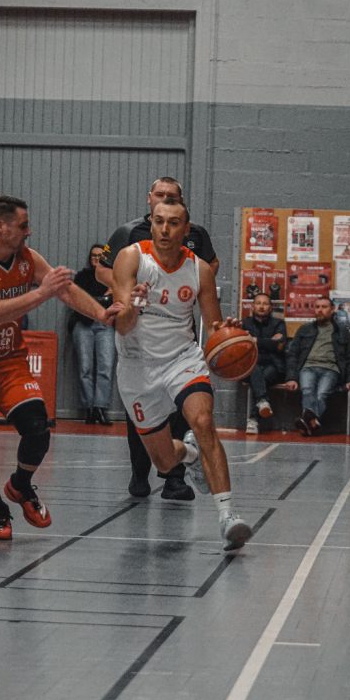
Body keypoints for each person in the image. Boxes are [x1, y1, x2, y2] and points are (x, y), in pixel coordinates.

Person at [0, 194, 122, 541]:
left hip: (7, 363)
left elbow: (65, 290)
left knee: (38, 429)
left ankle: (20, 485)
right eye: (23, 226)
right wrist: (41, 293)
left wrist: (101, 314)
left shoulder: (28, 259)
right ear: (0, 227)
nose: (29, 231)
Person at [112, 198, 251, 551]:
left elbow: (213, 326)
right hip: (137, 366)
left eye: (173, 223)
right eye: (159, 221)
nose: (164, 229)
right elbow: (122, 325)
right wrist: (135, 305)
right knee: (163, 460)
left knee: (203, 421)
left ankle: (228, 516)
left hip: (181, 359)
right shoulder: (131, 258)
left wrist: (228, 333)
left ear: (186, 230)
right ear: (151, 223)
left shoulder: (199, 270)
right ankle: (189, 455)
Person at [97, 175, 220, 501]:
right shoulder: (129, 234)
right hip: (138, 338)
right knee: (141, 413)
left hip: (177, 340)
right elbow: (101, 269)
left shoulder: (195, 235)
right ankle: (140, 472)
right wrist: (127, 289)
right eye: (159, 194)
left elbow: (210, 265)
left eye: (171, 195)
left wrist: (184, 287)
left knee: (183, 410)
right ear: (149, 198)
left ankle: (175, 478)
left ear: (181, 201)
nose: (164, 198)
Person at [284, 295, 350, 435]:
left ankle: (306, 420)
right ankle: (311, 423)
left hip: (331, 369)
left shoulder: (342, 331)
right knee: (307, 390)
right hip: (308, 367)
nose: (320, 310)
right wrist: (291, 377)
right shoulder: (304, 329)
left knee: (322, 394)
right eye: (317, 307)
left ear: (332, 310)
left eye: (324, 307)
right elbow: (293, 355)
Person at [68, 244, 116, 424]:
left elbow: (116, 300)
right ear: (89, 258)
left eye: (100, 256)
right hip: (83, 324)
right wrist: (104, 298)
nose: (96, 258)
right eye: (93, 255)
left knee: (106, 367)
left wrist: (94, 300)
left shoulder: (112, 277)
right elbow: (77, 300)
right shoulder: (81, 276)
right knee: (84, 368)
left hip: (106, 324)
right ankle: (88, 408)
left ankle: (100, 408)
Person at [241, 293, 287, 434]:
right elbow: (242, 345)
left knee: (260, 377)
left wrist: (255, 340)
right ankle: (262, 402)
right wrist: (269, 342)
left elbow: (279, 346)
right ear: (252, 306)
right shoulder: (245, 323)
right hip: (250, 365)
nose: (261, 306)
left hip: (273, 366)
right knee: (255, 370)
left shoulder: (279, 324)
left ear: (271, 308)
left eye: (265, 303)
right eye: (258, 303)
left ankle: (253, 419)